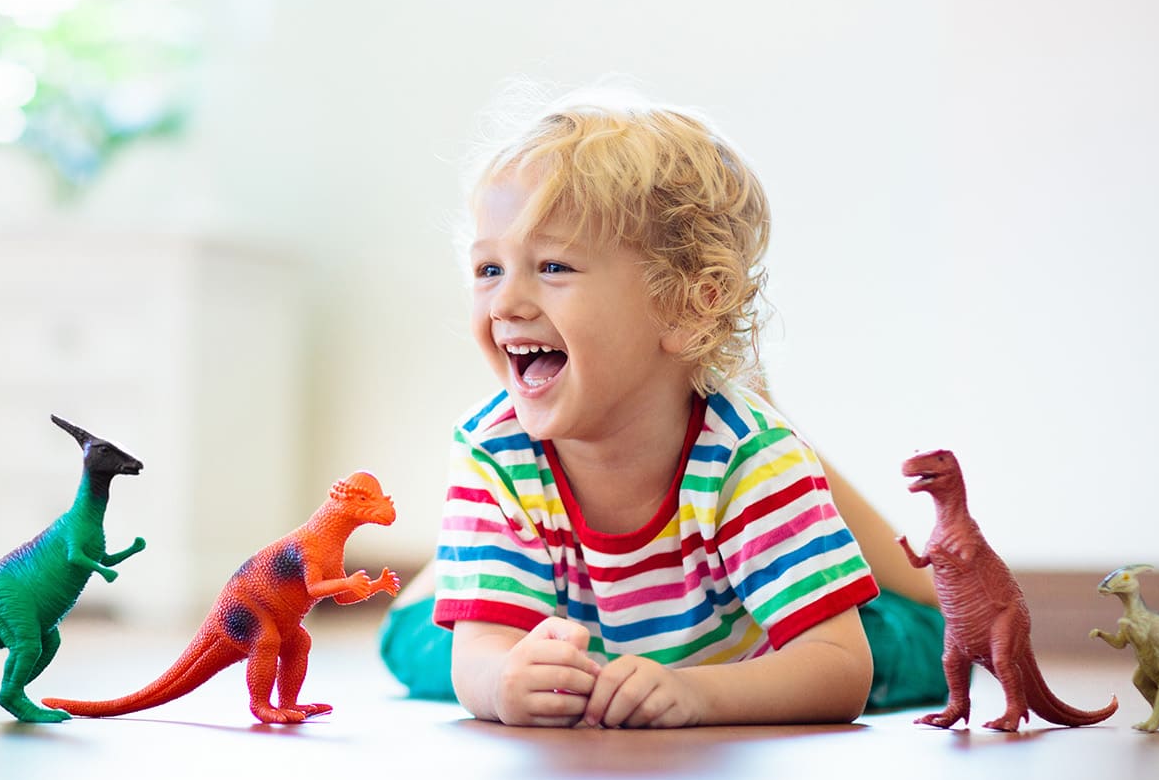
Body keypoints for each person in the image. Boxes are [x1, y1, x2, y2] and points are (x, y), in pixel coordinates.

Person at [377, 87, 945, 727]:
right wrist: (503, 683)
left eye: (554, 266)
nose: (505, 303)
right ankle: (470, 571)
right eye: (488, 270)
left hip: (738, 640)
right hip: (574, 619)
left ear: (686, 307)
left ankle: (760, 420)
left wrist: (700, 694)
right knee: (423, 648)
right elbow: (479, 655)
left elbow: (841, 668)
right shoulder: (492, 447)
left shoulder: (747, 455)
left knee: (918, 650)